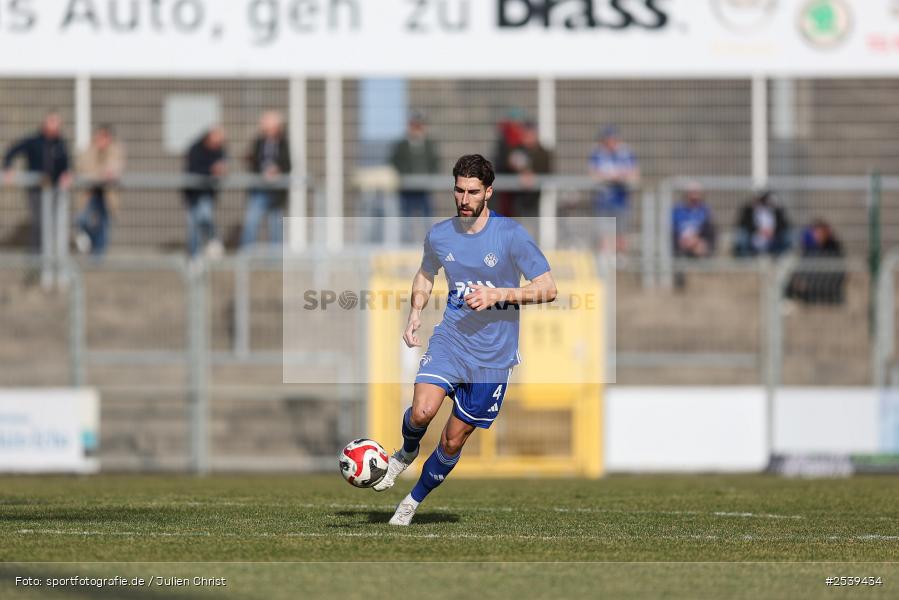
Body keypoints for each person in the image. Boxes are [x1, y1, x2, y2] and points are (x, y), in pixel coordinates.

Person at [372, 154, 558, 526]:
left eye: (473, 192)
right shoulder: (440, 235)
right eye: (459, 190)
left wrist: (499, 294)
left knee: (452, 441)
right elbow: (425, 274)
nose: (464, 199)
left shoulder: (511, 235)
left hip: (493, 357)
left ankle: (411, 501)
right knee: (422, 412)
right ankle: (406, 452)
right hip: (452, 341)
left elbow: (548, 288)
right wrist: (415, 312)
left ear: (488, 192)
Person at [3, 111, 73, 255]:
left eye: (57, 123)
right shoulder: (34, 141)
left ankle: (51, 256)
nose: (54, 126)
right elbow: (12, 151)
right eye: (51, 122)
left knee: (53, 223)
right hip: (36, 190)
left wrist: (66, 173)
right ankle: (37, 257)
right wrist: (8, 168)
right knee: (39, 222)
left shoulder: (60, 143)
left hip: (54, 190)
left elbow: (66, 163)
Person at [241, 111, 291, 249]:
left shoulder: (283, 143)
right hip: (259, 189)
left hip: (277, 192)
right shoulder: (259, 142)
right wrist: (263, 171)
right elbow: (254, 162)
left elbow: (287, 164)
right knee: (252, 220)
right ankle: (246, 252)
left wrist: (277, 170)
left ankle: (275, 256)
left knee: (275, 225)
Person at [75, 125, 126, 257]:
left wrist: (102, 174)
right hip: (89, 193)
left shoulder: (115, 150)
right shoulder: (89, 151)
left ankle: (98, 256)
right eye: (100, 137)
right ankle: (91, 248)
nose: (101, 140)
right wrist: (100, 174)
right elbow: (84, 169)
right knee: (83, 220)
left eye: (104, 137)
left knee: (103, 225)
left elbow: (113, 170)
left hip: (107, 196)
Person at [589, 125, 639, 251]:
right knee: (604, 236)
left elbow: (634, 175)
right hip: (603, 202)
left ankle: (620, 260)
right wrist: (609, 177)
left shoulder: (625, 153)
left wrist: (619, 177)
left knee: (621, 235)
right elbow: (594, 175)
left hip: (621, 201)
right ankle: (607, 260)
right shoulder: (597, 154)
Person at [183, 126, 227, 258]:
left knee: (205, 217)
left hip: (207, 192)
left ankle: (213, 241)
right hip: (193, 193)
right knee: (193, 224)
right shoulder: (196, 149)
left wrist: (220, 170)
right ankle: (194, 255)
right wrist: (211, 170)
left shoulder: (219, 150)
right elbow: (194, 169)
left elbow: (223, 166)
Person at [389, 111, 440, 222]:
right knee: (406, 216)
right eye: (414, 126)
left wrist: (430, 176)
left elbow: (435, 163)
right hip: (406, 189)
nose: (417, 129)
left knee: (427, 216)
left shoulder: (429, 145)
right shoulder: (401, 145)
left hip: (424, 189)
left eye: (419, 126)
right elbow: (394, 163)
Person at [785, 218, 845, 305]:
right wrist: (798, 280)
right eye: (815, 233)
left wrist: (808, 283)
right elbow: (802, 266)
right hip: (809, 287)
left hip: (825, 289)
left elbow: (833, 273)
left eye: (820, 232)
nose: (817, 235)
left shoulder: (833, 249)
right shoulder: (810, 249)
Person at [500, 120, 552, 219]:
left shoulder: (543, 153)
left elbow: (546, 170)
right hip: (517, 198)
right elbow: (507, 165)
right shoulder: (516, 150)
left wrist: (533, 176)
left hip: (535, 198)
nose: (528, 137)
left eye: (531, 134)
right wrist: (520, 171)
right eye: (526, 134)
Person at [733, 190, 791, 258]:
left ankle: (779, 254)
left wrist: (772, 231)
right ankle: (746, 255)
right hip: (756, 234)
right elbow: (746, 223)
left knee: (785, 237)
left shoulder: (775, 211)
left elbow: (782, 224)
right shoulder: (751, 210)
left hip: (772, 235)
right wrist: (759, 230)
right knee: (744, 237)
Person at [672, 182, 715, 259]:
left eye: (697, 193)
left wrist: (695, 239)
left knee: (701, 247)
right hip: (680, 241)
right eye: (692, 193)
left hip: (698, 241)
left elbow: (707, 229)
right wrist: (685, 239)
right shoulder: (678, 210)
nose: (694, 196)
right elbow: (674, 228)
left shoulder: (704, 210)